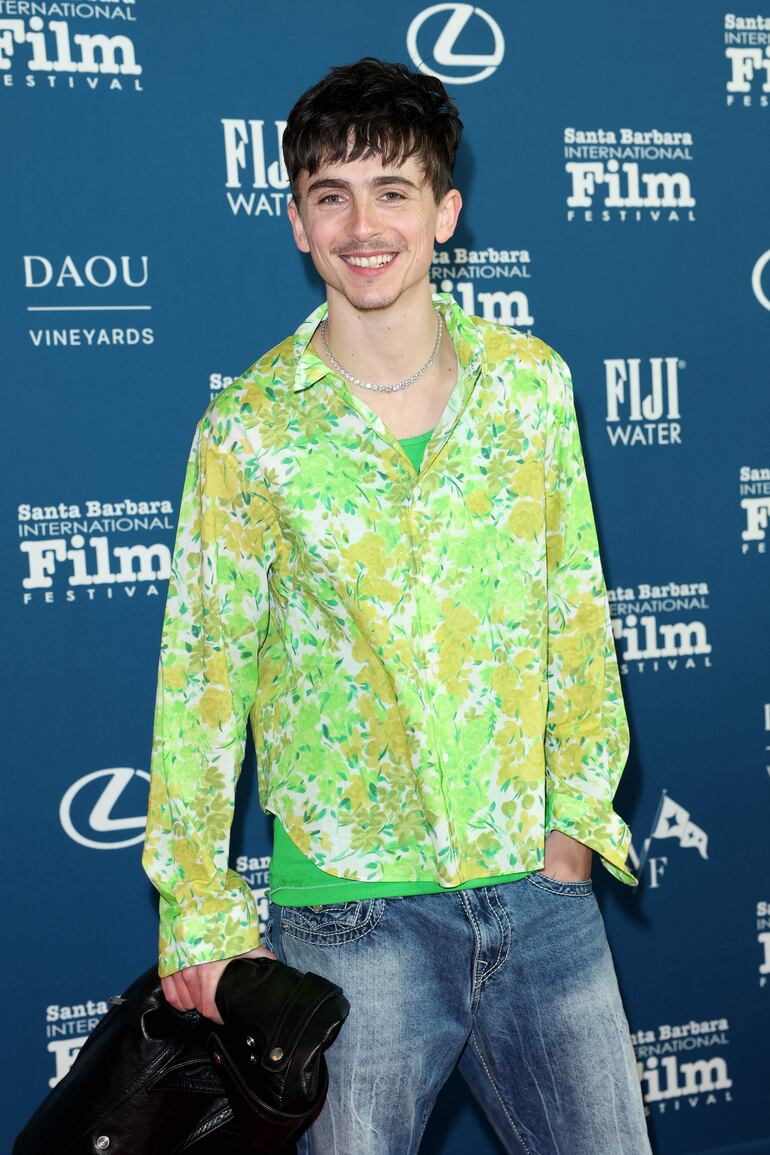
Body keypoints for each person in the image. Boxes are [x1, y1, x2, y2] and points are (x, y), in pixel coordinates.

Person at [142, 57, 652, 1155]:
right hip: (344, 923)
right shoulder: (249, 430)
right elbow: (201, 677)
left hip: (538, 891)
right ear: (295, 222)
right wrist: (200, 915)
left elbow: (574, 611)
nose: (362, 225)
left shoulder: (529, 386)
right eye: (331, 195)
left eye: (393, 192)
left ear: (445, 213)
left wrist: (573, 824)